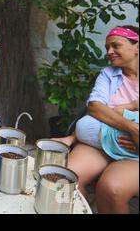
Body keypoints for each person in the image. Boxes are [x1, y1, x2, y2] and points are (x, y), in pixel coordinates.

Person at [57, 25, 139, 214]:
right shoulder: (109, 74)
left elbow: (101, 110)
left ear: (137, 47)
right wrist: (133, 128)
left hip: (133, 152)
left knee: (112, 188)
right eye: (107, 48)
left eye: (115, 46)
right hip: (99, 143)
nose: (110, 52)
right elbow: (94, 106)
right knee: (66, 180)